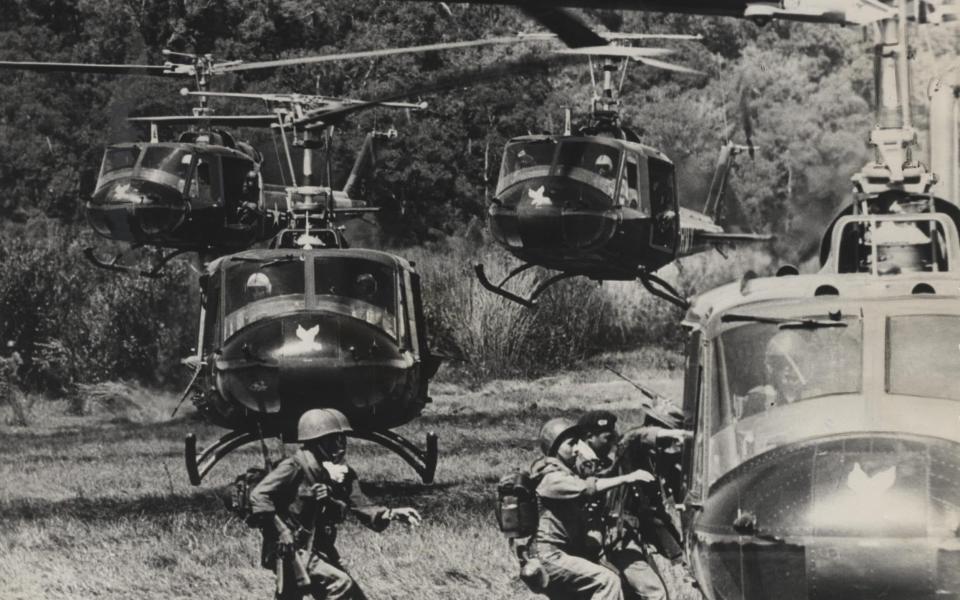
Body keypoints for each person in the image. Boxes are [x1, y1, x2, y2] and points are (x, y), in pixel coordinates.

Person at [249, 408, 422, 600]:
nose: (340, 444)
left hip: (318, 548)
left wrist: (391, 513)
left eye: (342, 437)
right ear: (315, 442)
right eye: (332, 438)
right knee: (340, 584)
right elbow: (259, 495)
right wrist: (282, 531)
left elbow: (360, 505)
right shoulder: (294, 467)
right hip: (290, 549)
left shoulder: (342, 473)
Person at [529, 417, 655, 600]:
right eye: (571, 444)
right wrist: (627, 478)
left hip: (564, 552)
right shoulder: (550, 478)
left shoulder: (565, 472)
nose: (577, 448)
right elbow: (587, 488)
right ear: (555, 448)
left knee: (617, 578)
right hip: (549, 555)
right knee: (607, 581)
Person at [578, 411, 689, 600]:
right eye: (665, 438)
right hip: (612, 539)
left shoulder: (653, 461)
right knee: (656, 593)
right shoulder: (617, 457)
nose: (670, 446)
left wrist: (677, 552)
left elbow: (653, 513)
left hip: (627, 536)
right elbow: (633, 437)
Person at [742, 330, 812, 415]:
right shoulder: (759, 399)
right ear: (771, 367)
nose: (790, 368)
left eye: (796, 361)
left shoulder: (814, 397)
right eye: (782, 362)